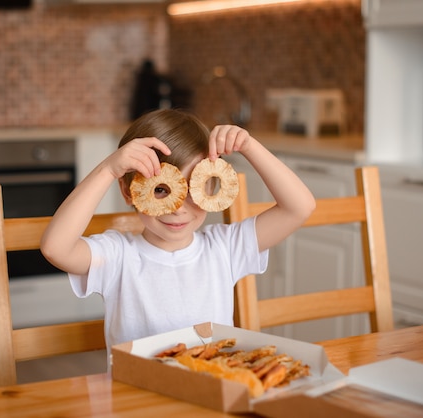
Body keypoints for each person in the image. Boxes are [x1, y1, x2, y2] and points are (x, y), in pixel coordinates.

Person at [40, 109, 315, 361]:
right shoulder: (117, 256)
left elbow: (300, 207)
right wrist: (108, 170)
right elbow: (56, 248)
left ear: (211, 189)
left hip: (210, 391)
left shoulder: (224, 248)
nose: (179, 209)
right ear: (129, 192)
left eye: (194, 187)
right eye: (161, 190)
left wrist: (249, 146)